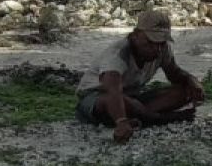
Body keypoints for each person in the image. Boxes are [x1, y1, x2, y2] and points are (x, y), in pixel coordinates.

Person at [75, 9, 204, 144]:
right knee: (121, 101)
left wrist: (192, 82)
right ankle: (157, 118)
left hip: (133, 97)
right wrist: (121, 122)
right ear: (136, 35)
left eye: (161, 43)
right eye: (150, 42)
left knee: (183, 92)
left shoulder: (162, 49)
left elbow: (174, 74)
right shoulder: (117, 54)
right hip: (97, 98)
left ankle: (143, 116)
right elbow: (111, 90)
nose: (156, 48)